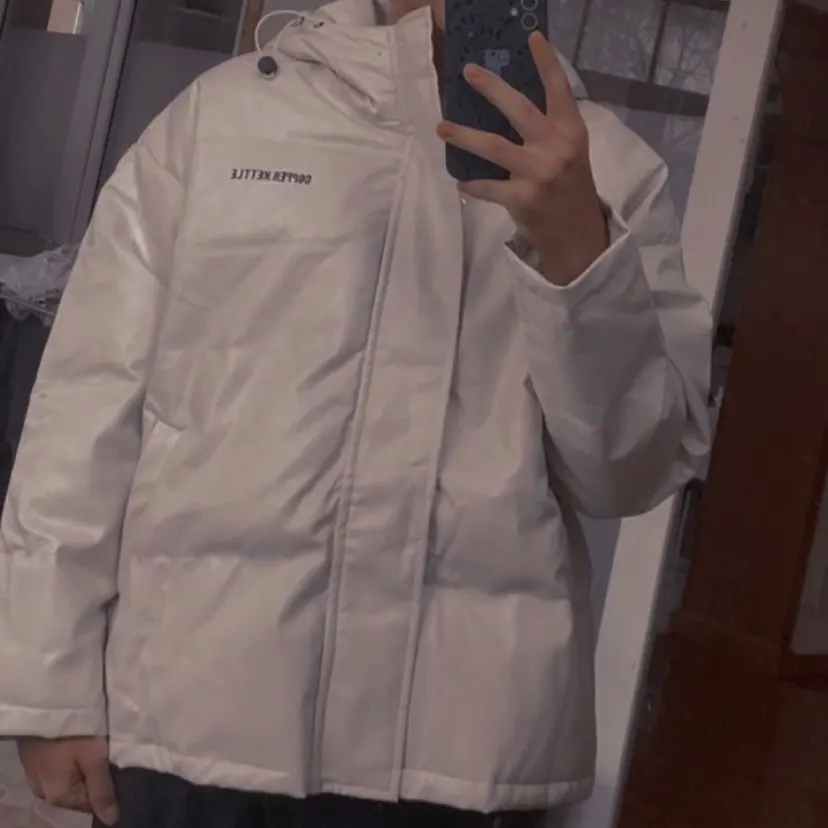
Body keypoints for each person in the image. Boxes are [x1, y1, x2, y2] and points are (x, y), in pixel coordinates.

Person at [0, 0, 712, 826]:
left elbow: (630, 472)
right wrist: (46, 681)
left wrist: (578, 250)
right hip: (188, 723)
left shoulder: (609, 171)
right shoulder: (221, 121)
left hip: (457, 762)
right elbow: (88, 406)